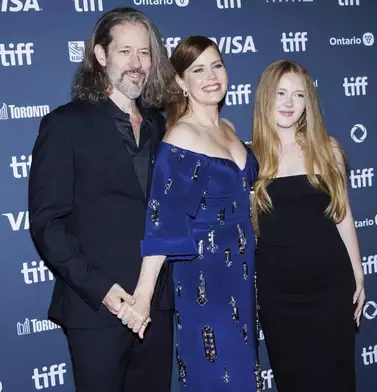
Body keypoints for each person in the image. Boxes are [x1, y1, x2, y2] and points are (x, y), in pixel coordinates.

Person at [27, 7, 180, 392]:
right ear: (100, 55)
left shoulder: (162, 125)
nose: (137, 63)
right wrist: (106, 292)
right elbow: (48, 224)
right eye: (125, 51)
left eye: (145, 53)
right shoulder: (65, 124)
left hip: (156, 305)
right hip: (96, 309)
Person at [115, 36, 262, 391]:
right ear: (181, 82)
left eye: (217, 65)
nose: (211, 76)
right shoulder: (181, 136)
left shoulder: (228, 129)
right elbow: (163, 219)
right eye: (198, 69)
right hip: (206, 277)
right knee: (216, 372)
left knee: (243, 371)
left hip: (241, 274)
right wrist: (143, 296)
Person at [251, 60, 365, 391]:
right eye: (280, 93)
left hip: (331, 287)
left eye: (298, 94)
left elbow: (342, 214)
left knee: (338, 380)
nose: (288, 103)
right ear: (265, 98)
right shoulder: (249, 158)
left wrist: (358, 274)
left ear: (308, 102)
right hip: (278, 293)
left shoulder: (329, 151)